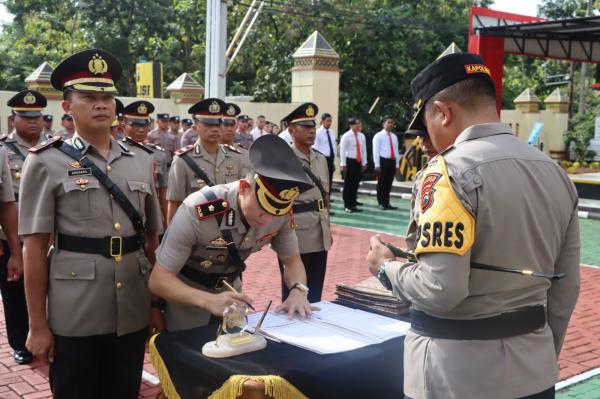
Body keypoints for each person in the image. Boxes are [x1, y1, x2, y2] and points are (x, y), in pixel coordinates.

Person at [366, 53, 580, 399]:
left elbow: (441, 289)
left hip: (455, 377)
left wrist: (385, 268)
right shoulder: (553, 172)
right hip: (534, 372)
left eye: (427, 120)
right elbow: (565, 290)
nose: (429, 135)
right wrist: (540, 356)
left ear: (443, 112)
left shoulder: (446, 174)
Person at [19, 48, 163, 398]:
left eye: (107, 97)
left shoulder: (142, 160)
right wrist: (37, 324)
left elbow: (152, 241)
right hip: (75, 309)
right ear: (67, 107)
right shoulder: (45, 162)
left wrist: (156, 306)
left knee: (123, 390)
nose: (101, 104)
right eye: (88, 97)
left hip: (130, 305)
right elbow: (34, 247)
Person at [149, 135, 317, 331]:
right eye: (263, 209)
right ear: (244, 189)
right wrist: (207, 300)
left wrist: (298, 290)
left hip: (232, 295)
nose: (267, 220)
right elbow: (159, 280)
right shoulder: (197, 209)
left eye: (275, 212)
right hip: (188, 297)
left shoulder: (278, 214)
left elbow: (292, 261)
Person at [0, 89, 48, 365]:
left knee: (50, 288)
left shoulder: (56, 147)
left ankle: (48, 333)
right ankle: (21, 342)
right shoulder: (3, 149)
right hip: (13, 234)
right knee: (15, 293)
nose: (32, 122)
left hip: (45, 233)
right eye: (25, 117)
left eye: (36, 117)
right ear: (13, 118)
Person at [278, 103, 331, 303]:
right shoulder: (284, 160)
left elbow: (324, 197)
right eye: (305, 127)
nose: (311, 131)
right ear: (291, 131)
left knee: (315, 291)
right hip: (295, 233)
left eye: (312, 127)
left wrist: (328, 227)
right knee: (294, 290)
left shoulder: (320, 159)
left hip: (319, 231)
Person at [166, 98, 245, 224]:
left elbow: (242, 199)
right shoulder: (183, 160)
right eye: (208, 124)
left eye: (218, 124)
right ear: (195, 128)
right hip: (195, 233)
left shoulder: (235, 157)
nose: (215, 129)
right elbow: (174, 203)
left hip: (229, 230)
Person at [123, 100, 169, 226]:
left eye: (145, 125)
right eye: (136, 125)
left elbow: (163, 191)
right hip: (125, 215)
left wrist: (166, 222)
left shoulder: (158, 154)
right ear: (124, 125)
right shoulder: (114, 152)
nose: (141, 130)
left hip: (152, 216)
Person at [339, 117, 367, 213]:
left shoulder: (361, 136)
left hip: (358, 161)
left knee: (355, 183)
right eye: (357, 124)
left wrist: (364, 162)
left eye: (359, 123)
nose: (359, 125)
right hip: (349, 161)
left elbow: (364, 150)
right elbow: (342, 151)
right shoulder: (346, 136)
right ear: (351, 125)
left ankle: (353, 203)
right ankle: (347, 204)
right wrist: (343, 164)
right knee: (348, 184)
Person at [372, 116, 400, 210]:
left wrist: (397, 164)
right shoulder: (378, 136)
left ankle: (387, 202)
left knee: (389, 183)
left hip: (391, 161)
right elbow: (375, 151)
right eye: (388, 122)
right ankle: (381, 202)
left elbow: (396, 151)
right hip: (382, 161)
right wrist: (377, 164)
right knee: (382, 183)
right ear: (383, 124)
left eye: (392, 122)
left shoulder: (394, 136)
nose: (391, 124)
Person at [221, 102, 251, 176]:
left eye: (232, 125)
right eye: (226, 125)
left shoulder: (244, 154)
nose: (229, 129)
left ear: (236, 126)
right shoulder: (210, 153)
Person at [313, 113, 337, 196]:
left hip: (330, 159)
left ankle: (327, 199)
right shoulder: (318, 133)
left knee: (329, 180)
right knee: (322, 180)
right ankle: (321, 198)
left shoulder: (332, 132)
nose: (329, 123)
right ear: (322, 121)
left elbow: (333, 148)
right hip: (322, 159)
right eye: (327, 121)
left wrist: (333, 162)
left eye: (330, 121)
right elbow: (315, 148)